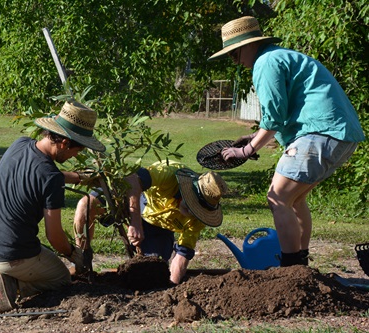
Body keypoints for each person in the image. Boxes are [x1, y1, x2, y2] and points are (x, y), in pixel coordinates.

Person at [208, 16, 365, 267]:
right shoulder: (279, 57)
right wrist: (254, 137)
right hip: (339, 134)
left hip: (321, 133)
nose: (233, 59)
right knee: (294, 200)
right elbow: (283, 117)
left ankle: (291, 269)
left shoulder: (265, 63)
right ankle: (300, 263)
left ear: (248, 44)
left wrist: (247, 150)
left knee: (278, 198)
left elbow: (274, 117)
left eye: (233, 52)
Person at [0, 99, 106, 313]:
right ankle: (13, 286)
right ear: (64, 143)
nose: (76, 155)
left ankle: (5, 280)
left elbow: (40, 176)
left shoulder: (20, 144)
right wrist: (74, 253)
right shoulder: (50, 178)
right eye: (77, 150)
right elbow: (54, 236)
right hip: (10, 257)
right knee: (61, 278)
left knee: (40, 260)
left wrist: (78, 177)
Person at [73, 161, 228, 284]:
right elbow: (132, 179)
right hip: (131, 199)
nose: (192, 212)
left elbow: (183, 253)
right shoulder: (170, 173)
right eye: (191, 205)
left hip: (157, 228)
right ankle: (83, 266)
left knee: (152, 271)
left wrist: (171, 286)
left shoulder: (197, 220)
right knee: (86, 205)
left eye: (197, 210)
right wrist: (135, 222)